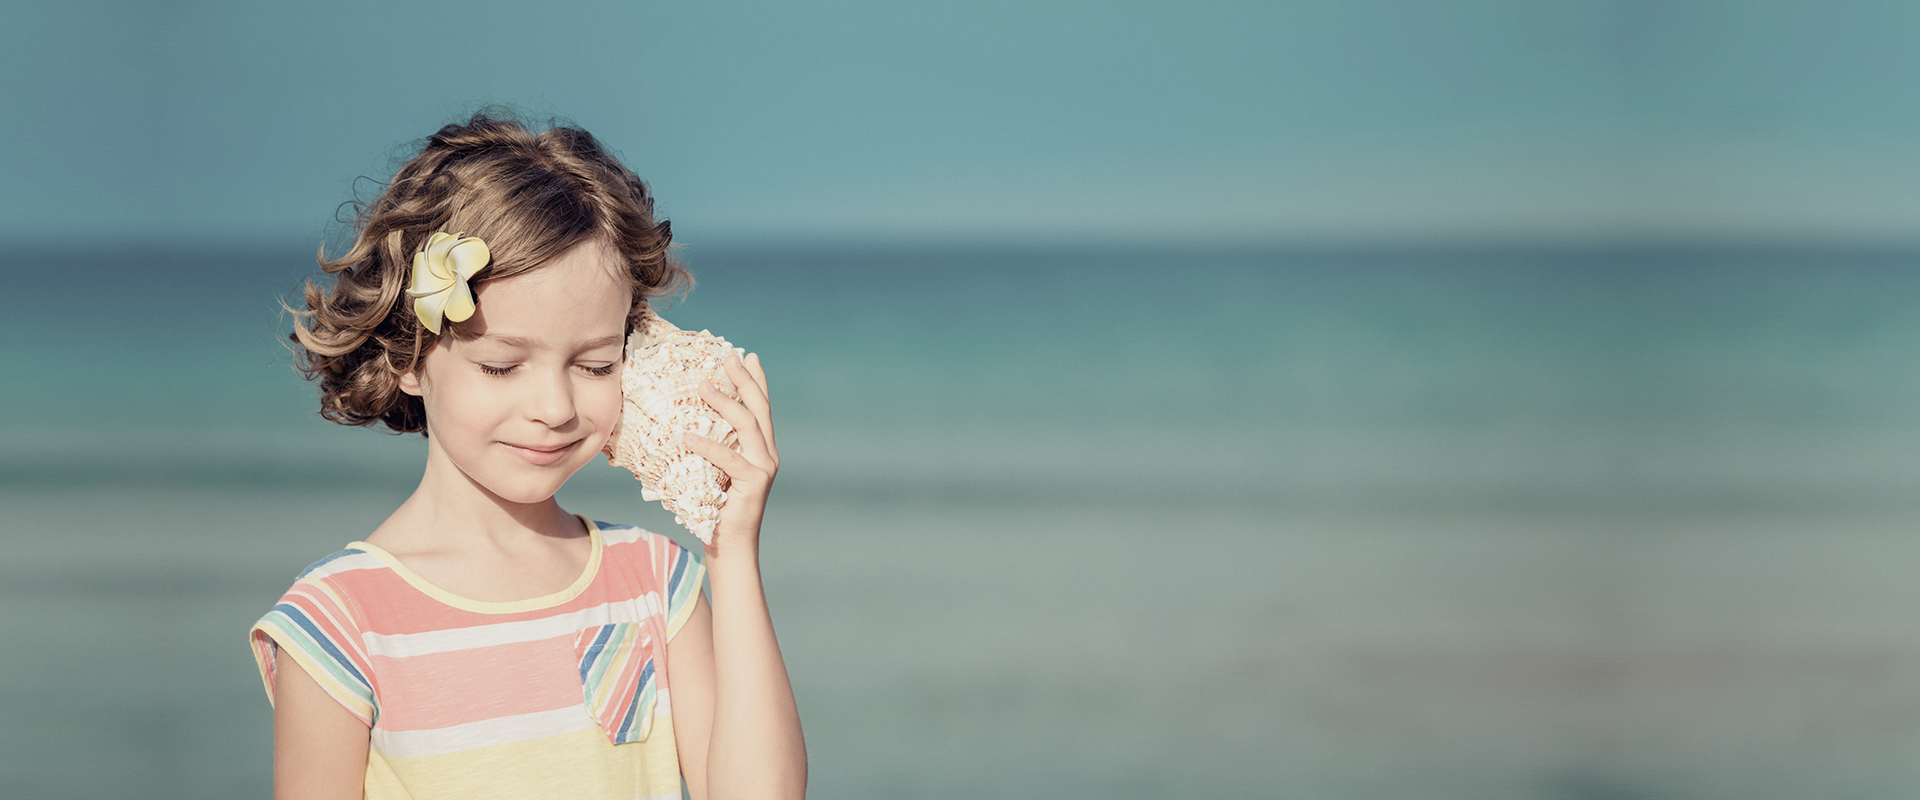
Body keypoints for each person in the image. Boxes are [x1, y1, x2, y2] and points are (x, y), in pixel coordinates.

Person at [247, 110, 806, 800]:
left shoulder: (656, 584)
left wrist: (730, 548)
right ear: (408, 358)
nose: (556, 408)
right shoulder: (339, 620)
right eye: (503, 366)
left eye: (596, 366)